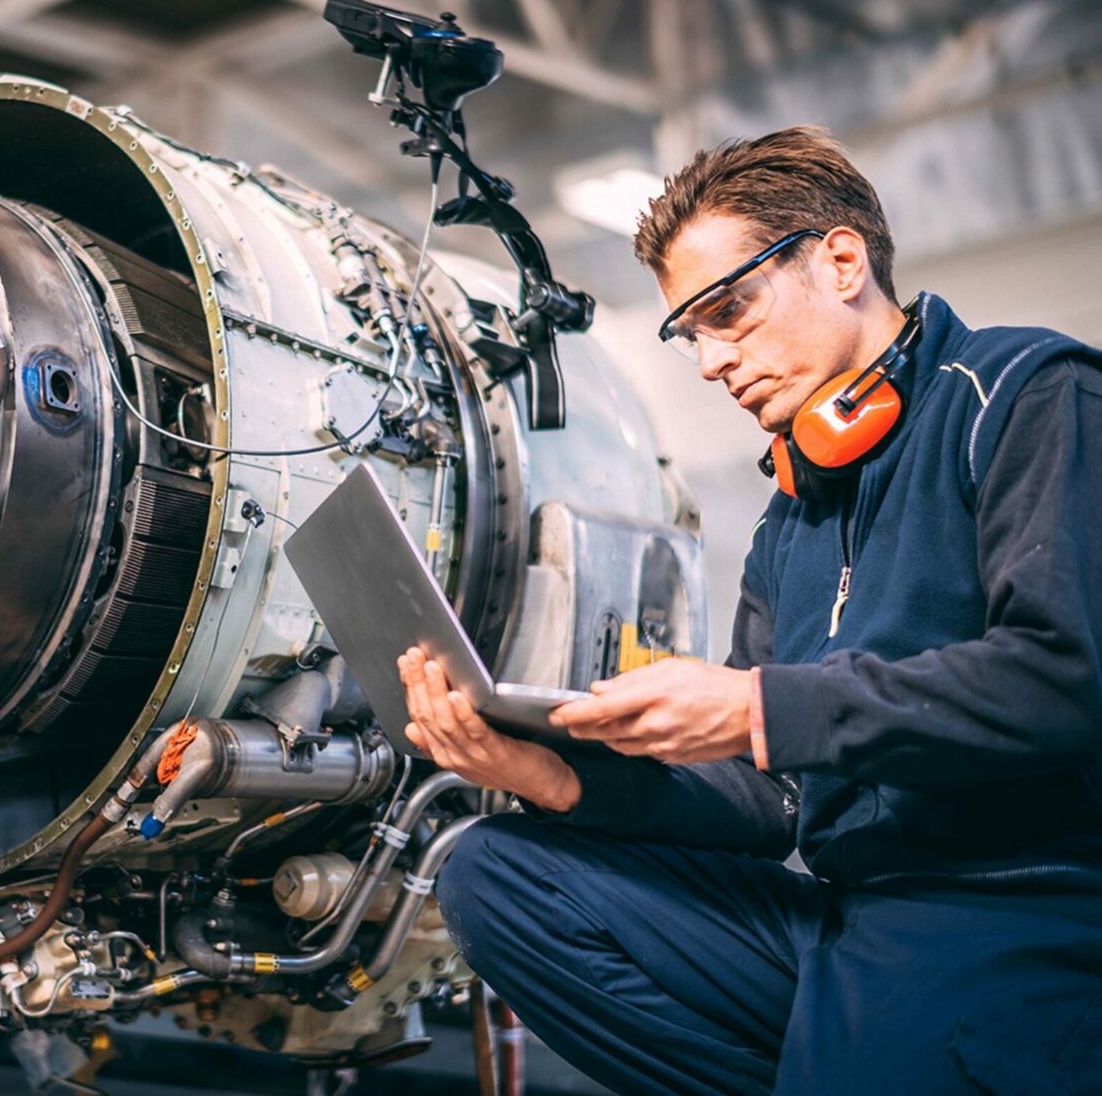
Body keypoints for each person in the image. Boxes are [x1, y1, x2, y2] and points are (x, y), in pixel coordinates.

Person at [399, 127, 1102, 1094]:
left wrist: (759, 707)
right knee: (497, 876)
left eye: (730, 309)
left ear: (842, 260)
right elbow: (770, 803)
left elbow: (1062, 680)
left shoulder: (1029, 396)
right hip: (845, 918)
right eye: (690, 333)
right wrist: (552, 777)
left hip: (1023, 909)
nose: (711, 361)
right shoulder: (791, 514)